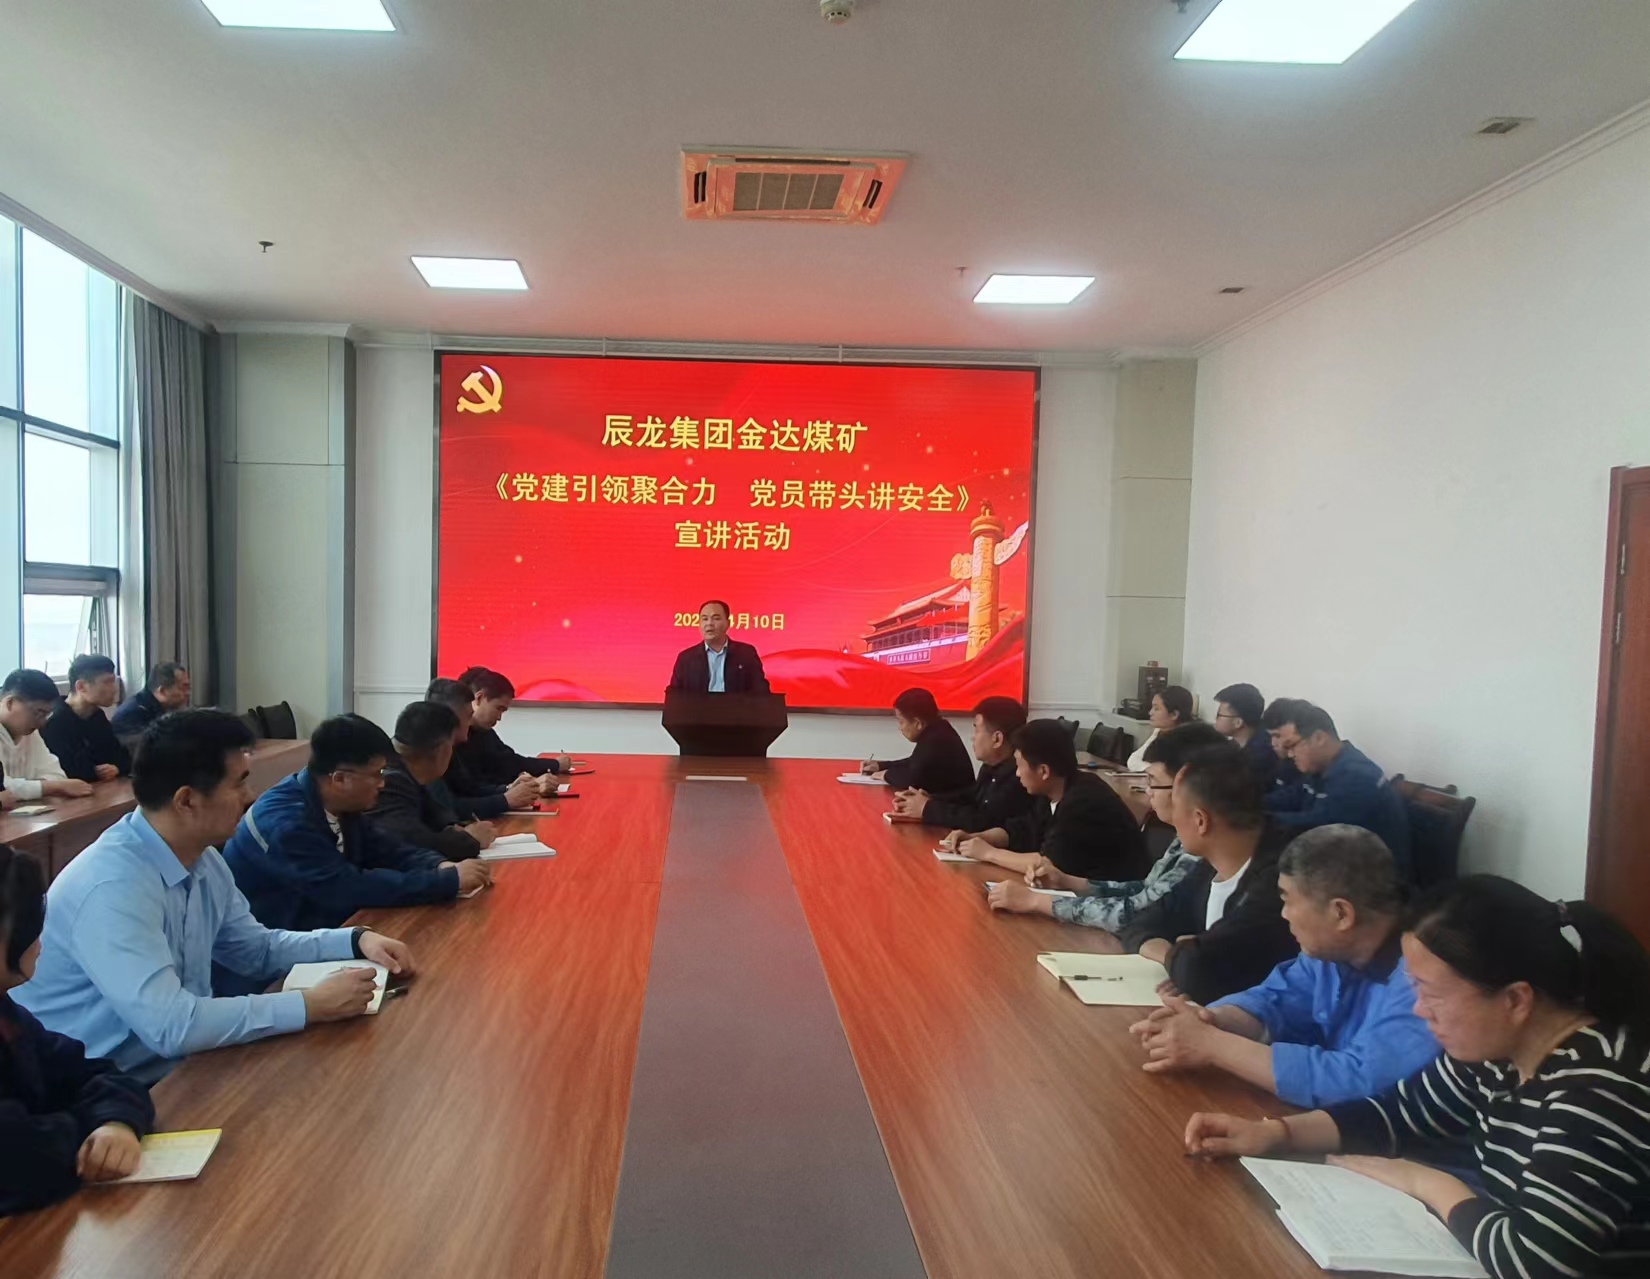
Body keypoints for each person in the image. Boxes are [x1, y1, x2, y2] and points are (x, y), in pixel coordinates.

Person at [1184, 877, 1650, 1279]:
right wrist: (1277, 1134)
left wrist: (1425, 1183)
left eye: (1432, 994)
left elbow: (1536, 1264)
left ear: (1515, 1000)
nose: (1419, 1010)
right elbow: (1401, 1111)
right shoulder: (1502, 1051)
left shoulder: (1599, 1090)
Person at [13, 710, 415, 1084]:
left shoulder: (201, 858)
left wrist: (353, 940)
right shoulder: (113, 886)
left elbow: (255, 949)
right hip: (105, 1088)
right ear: (186, 800)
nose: (250, 795)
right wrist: (309, 1005)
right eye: (238, 782)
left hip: (176, 1065)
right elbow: (172, 1026)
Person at [1131, 824, 1439, 1107]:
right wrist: (1212, 1020)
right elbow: (1276, 999)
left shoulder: (1426, 978)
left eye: (1289, 900)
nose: (1284, 914)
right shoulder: (1335, 950)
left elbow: (1356, 1082)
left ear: (1341, 914)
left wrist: (1213, 1045)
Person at [222, 714, 486, 938]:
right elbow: (346, 887)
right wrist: (445, 882)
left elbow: (386, 848)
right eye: (377, 774)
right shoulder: (286, 823)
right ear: (340, 779)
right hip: (278, 953)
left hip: (324, 928)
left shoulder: (335, 800)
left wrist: (437, 865)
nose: (383, 783)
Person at [1, 843, 155, 1216]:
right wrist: (87, 1128)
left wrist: (115, 1123)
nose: (40, 944)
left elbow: (94, 1073)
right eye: (28, 929)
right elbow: (20, 1156)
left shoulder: (8, 1015)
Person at [988, 722, 1226, 926]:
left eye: (1152, 781)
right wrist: (1067, 881)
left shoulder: (1201, 851)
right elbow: (1144, 889)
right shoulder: (1184, 839)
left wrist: (1036, 901)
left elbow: (1141, 911)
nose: (1147, 791)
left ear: (1183, 786)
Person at [1114, 747, 1299, 1004]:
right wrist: (1176, 954)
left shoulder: (1281, 881)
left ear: (1201, 820)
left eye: (1176, 807)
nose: (1171, 818)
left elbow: (1200, 970)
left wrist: (1184, 957)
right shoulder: (1209, 866)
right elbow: (1139, 922)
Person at [947, 718, 1149, 882]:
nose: (1017, 774)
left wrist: (988, 853)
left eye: (1019, 766)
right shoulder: (1055, 789)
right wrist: (980, 837)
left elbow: (1048, 865)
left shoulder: (1083, 803)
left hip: (1113, 902)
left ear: (1043, 771)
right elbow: (1023, 830)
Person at [1265, 703, 1412, 878]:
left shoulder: (1357, 776)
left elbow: (1317, 825)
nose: (1290, 754)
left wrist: (1258, 819)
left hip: (1374, 880)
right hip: (1339, 864)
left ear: (1319, 738)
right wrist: (1247, 805)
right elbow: (1290, 797)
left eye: (1292, 746)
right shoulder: (1321, 767)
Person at [371, 701, 498, 862]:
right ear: (442, 750)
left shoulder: (405, 771)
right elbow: (412, 842)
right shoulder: (388, 781)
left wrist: (453, 828)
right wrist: (470, 840)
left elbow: (436, 813)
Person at [890, 696, 1034, 831]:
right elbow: (970, 798)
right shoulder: (991, 767)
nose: (972, 738)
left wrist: (927, 808)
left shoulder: (1019, 777)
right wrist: (930, 799)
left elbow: (984, 822)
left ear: (997, 739)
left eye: (977, 730)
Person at [426, 678, 537, 821]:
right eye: (468, 716)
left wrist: (507, 790)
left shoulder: (452, 746)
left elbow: (469, 788)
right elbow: (447, 808)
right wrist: (505, 800)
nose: (470, 724)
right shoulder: (428, 753)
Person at [454, 666, 570, 793]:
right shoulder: (450, 737)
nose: (499, 718)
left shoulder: (484, 732)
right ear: (479, 698)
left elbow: (511, 763)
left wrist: (551, 767)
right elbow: (469, 789)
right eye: (499, 708)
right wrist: (517, 788)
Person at [860, 688, 976, 794]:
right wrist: (881, 765)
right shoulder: (938, 730)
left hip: (957, 806)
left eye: (901, 722)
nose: (900, 728)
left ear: (917, 723)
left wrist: (886, 775)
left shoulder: (937, 739)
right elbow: (913, 762)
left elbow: (913, 780)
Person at [0, 669, 92, 801]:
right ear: (10, 703)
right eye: (38, 713)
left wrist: (33, 788)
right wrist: (49, 787)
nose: (42, 722)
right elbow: (3, 787)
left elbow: (57, 776)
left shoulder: (30, 733)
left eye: (46, 715)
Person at [41, 655, 131, 785]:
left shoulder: (97, 716)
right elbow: (66, 770)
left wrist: (116, 768)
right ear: (81, 686)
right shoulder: (55, 721)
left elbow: (122, 757)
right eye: (107, 682)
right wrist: (95, 771)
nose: (114, 689)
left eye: (113, 681)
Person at [668, 599, 769, 693]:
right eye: (705, 619)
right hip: (698, 707)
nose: (709, 623)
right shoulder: (686, 658)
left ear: (728, 623)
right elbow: (674, 695)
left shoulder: (746, 654)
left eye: (716, 618)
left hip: (735, 707)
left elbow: (761, 691)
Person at [109, 661, 190, 748]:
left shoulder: (164, 708)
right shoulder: (131, 714)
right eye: (183, 688)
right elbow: (151, 750)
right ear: (162, 691)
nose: (188, 693)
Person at [1212, 682, 1275, 787]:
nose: (1215, 718)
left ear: (1238, 723)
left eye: (1219, 715)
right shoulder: (1235, 744)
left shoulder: (1260, 757)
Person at [1126, 685, 1196, 771]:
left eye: (1156, 708)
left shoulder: (1191, 741)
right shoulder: (1160, 731)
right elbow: (1133, 761)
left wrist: (1152, 770)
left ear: (1174, 714)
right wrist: (1153, 770)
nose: (1150, 712)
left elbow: (1169, 771)